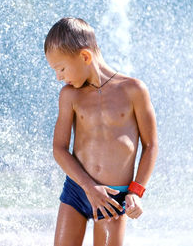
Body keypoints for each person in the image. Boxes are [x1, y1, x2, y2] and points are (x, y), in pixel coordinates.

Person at [44, 18, 158, 246]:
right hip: (77, 191)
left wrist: (135, 192)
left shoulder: (134, 90)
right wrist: (88, 186)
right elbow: (59, 148)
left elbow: (150, 146)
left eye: (61, 68)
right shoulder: (70, 95)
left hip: (113, 198)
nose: (58, 77)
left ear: (85, 56)